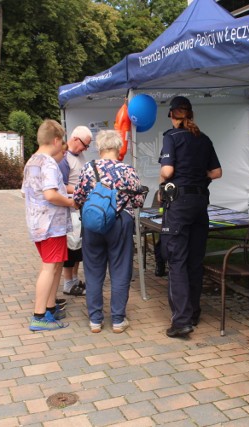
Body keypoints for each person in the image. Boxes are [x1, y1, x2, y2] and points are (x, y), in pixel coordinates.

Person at [159, 96, 222, 338]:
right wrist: (198, 174)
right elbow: (216, 172)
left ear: (173, 116)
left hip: (180, 203)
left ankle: (182, 321)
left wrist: (163, 180)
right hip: (200, 203)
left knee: (177, 260)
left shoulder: (171, 137)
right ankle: (194, 312)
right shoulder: (203, 138)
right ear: (190, 114)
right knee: (195, 261)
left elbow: (167, 171)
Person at [73, 130, 146, 334]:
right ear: (119, 147)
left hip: (93, 223)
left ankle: (95, 320)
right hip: (120, 222)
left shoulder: (88, 168)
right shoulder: (128, 170)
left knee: (94, 272)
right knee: (120, 270)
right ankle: (117, 320)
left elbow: (77, 199)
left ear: (99, 147)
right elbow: (139, 201)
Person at [21, 119, 76, 331]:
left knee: (55, 265)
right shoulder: (49, 163)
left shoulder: (32, 162)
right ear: (55, 140)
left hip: (37, 224)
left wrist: (70, 190)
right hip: (51, 224)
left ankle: (51, 308)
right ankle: (39, 316)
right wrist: (71, 202)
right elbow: (51, 194)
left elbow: (29, 192)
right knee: (49, 268)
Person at [58, 125, 92, 297]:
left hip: (79, 207)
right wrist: (80, 189)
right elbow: (61, 185)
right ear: (75, 139)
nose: (86, 149)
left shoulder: (80, 155)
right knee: (71, 247)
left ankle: (74, 280)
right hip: (70, 208)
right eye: (85, 145)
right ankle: (68, 283)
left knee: (77, 247)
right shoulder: (64, 159)